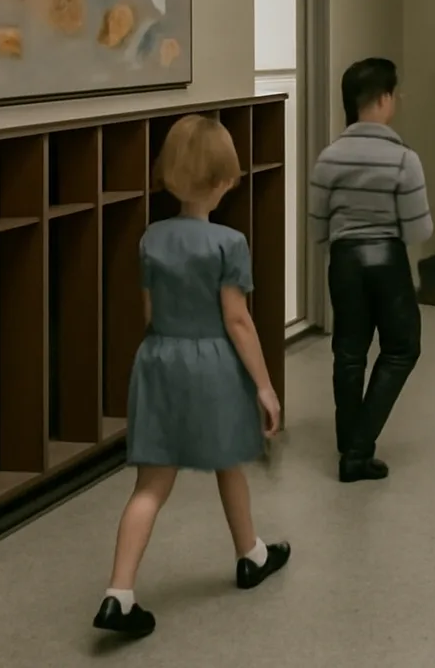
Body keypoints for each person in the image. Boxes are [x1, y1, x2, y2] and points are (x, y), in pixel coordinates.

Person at [94, 115, 290, 638]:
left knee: (150, 485)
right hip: (212, 363)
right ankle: (250, 553)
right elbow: (238, 321)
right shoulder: (229, 243)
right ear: (225, 181)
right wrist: (266, 387)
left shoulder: (150, 239)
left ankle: (120, 591)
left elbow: (149, 312)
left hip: (158, 360)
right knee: (230, 461)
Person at [309, 58, 433, 482]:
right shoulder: (403, 159)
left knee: (348, 353)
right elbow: (420, 229)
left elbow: (317, 225)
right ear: (383, 99)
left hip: (344, 260)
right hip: (387, 260)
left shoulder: (328, 158)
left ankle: (351, 446)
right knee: (402, 348)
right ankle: (358, 448)